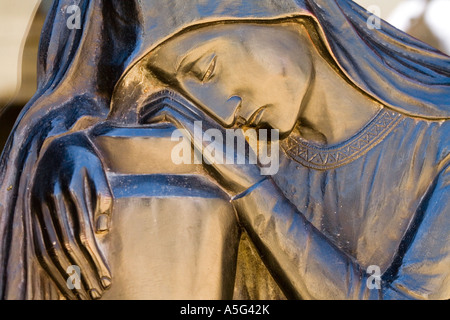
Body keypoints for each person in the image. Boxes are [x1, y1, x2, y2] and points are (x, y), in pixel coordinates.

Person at [1, 0, 449, 300]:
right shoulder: (234, 151)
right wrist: (66, 148)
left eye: (207, 66)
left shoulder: (439, 140)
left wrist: (252, 190)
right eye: (189, 92)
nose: (220, 112)